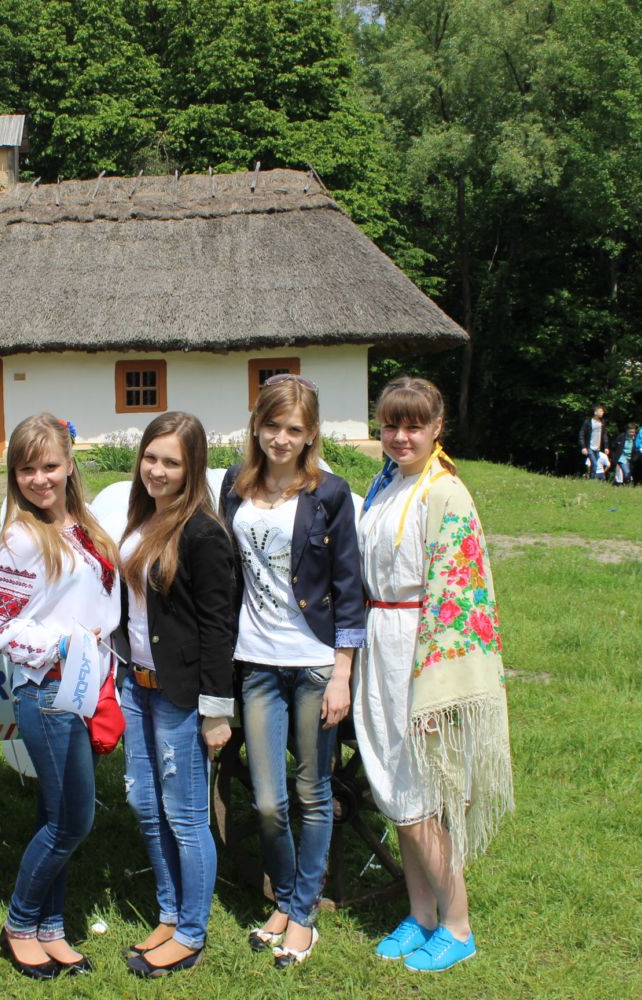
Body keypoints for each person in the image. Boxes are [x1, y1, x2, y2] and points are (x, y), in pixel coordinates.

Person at [356, 375, 514, 973]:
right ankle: (420, 912)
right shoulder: (386, 483)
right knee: (396, 788)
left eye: (413, 426)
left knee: (422, 793)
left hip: (417, 646)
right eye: (390, 425)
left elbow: (459, 597)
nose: (401, 436)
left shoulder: (445, 493)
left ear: (437, 428)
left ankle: (457, 924)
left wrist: (436, 688)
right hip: (379, 638)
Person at [218, 375, 365, 969]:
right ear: (257, 425)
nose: (281, 438)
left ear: (311, 435)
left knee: (312, 790)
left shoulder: (330, 493)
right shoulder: (236, 484)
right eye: (272, 425)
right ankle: (283, 897)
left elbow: (349, 588)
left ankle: (302, 914)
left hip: (313, 663)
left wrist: (342, 674)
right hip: (256, 660)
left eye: (294, 429)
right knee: (266, 800)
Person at [0, 414, 119, 980]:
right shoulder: (20, 539)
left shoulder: (84, 526)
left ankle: (51, 927)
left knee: (54, 814)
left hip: (85, 690)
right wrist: (63, 643)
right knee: (72, 822)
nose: (39, 479)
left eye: (49, 466)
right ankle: (19, 924)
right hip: (48, 692)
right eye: (26, 469)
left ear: (69, 465)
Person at [116, 413, 235, 978]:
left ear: (193, 469)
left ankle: (191, 932)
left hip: (180, 695)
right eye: (151, 458)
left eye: (171, 462)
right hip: (135, 685)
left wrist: (216, 710)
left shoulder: (203, 533)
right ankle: (168, 914)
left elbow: (218, 628)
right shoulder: (141, 519)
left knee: (186, 816)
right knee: (144, 803)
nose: (157, 470)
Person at [578, 404, 608, 480]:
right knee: (595, 464)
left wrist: (606, 447)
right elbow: (581, 434)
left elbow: (604, 435)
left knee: (593, 465)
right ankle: (593, 480)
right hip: (590, 447)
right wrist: (583, 447)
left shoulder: (602, 422)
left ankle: (589, 478)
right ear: (595, 412)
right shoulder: (588, 422)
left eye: (602, 411)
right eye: (600, 411)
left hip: (597, 448)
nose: (602, 413)